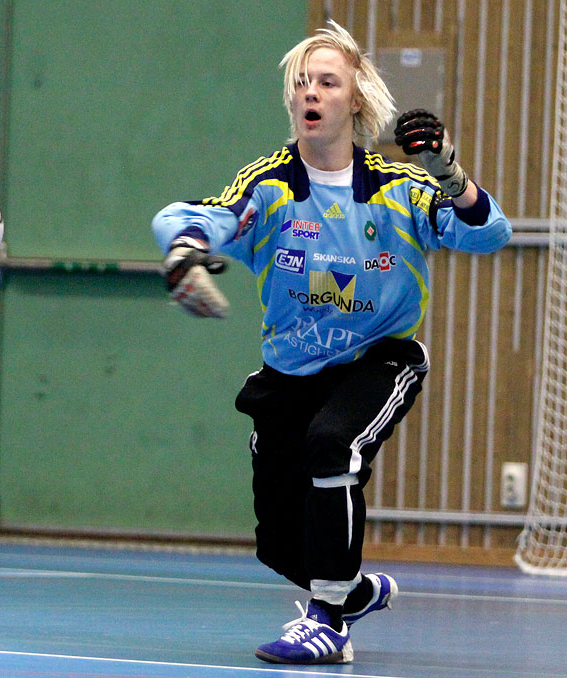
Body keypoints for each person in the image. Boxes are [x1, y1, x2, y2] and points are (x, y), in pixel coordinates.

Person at [152, 20, 511, 665]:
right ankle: (355, 591)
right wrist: (188, 251)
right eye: (301, 82)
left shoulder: (401, 191)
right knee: (279, 544)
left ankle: (327, 622)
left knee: (331, 444)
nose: (310, 91)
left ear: (355, 101)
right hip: (290, 373)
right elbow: (190, 216)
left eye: (327, 81)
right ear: (291, 102)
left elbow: (489, 233)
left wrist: (450, 173)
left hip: (380, 359)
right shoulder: (269, 187)